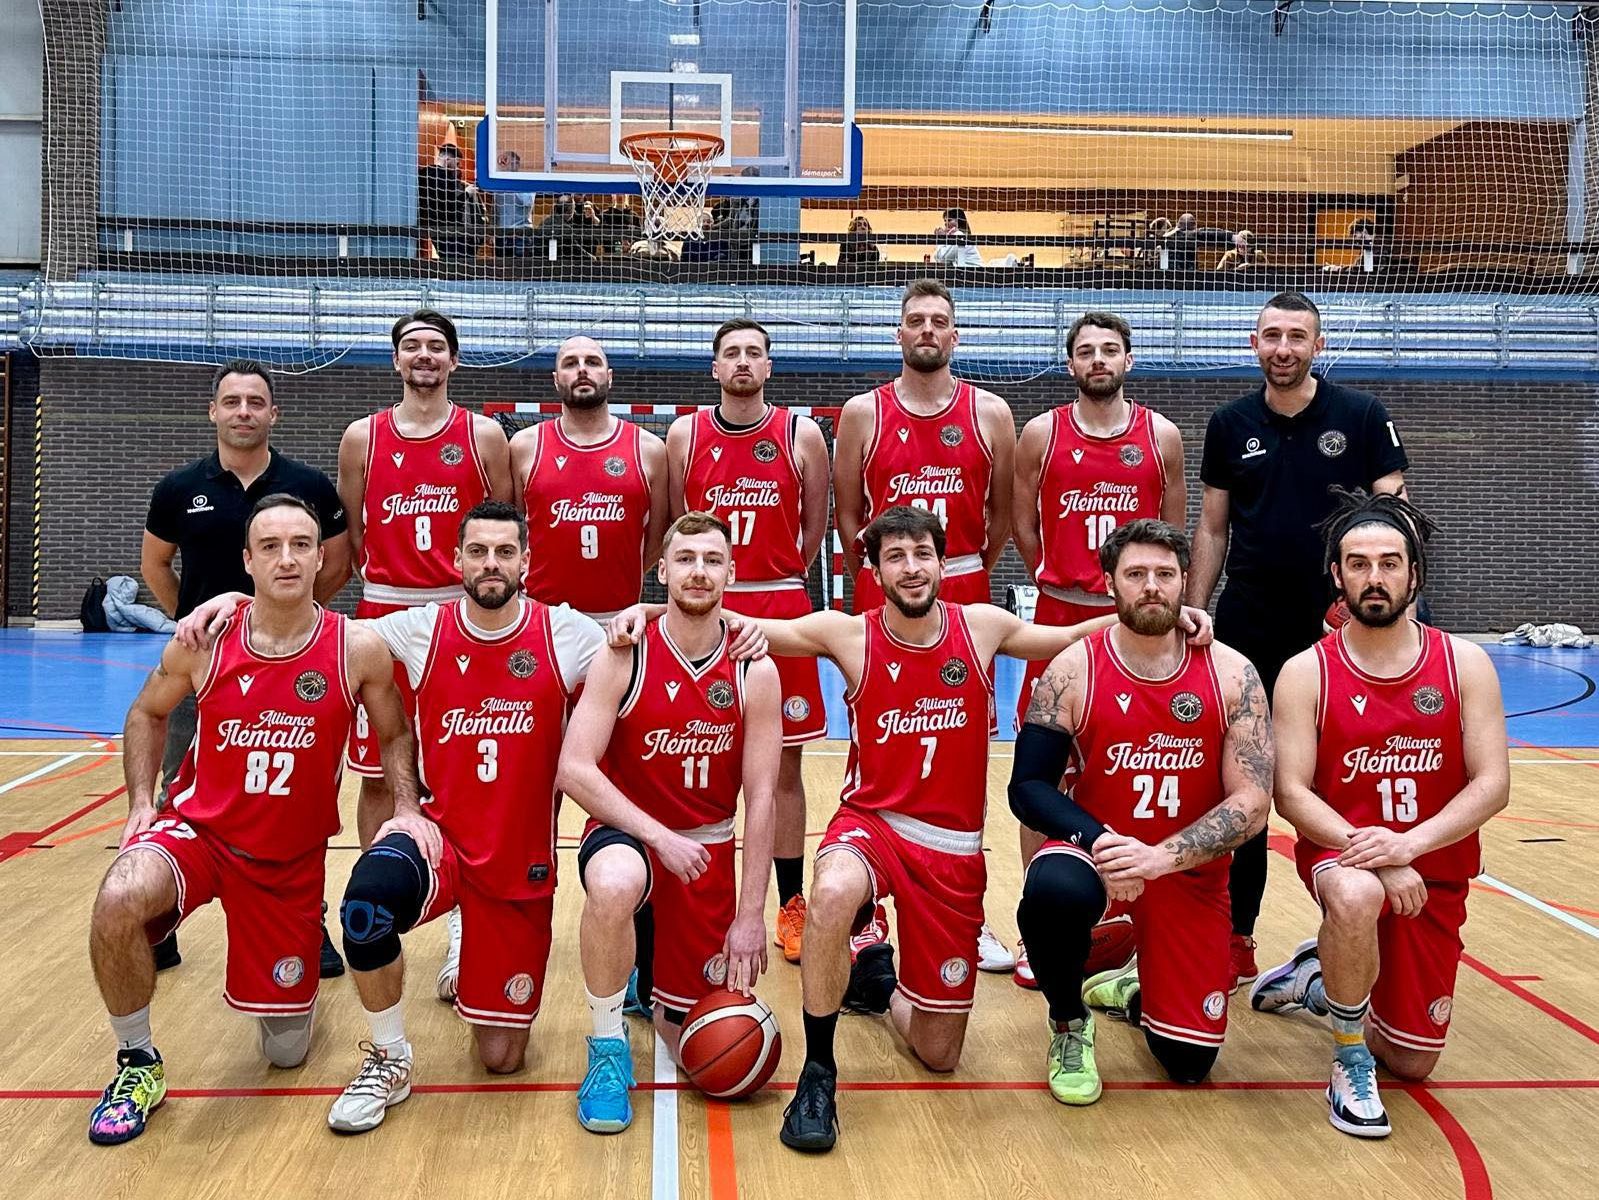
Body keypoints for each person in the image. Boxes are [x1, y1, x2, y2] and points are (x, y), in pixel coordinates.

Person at [731, 505, 1211, 1153]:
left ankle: (875, 978)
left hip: (951, 852)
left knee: (938, 1052)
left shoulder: (980, 626)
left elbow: (1066, 636)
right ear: (874, 570)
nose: (910, 568)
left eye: (922, 554)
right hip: (872, 824)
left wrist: (1172, 614)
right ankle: (818, 1074)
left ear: (942, 562)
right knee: (834, 890)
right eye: (895, 556)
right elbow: (745, 625)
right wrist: (648, 612)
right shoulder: (848, 634)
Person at [85, 495, 418, 1146]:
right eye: (270, 546)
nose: (286, 558)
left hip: (286, 862)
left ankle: (294, 966)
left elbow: (395, 735)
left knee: (285, 1053)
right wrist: (142, 804)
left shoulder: (358, 649)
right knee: (118, 897)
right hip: (199, 833)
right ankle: (136, 1062)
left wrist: (406, 806)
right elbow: (147, 712)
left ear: (321, 558)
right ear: (247, 560)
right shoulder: (205, 641)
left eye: (301, 544)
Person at [1250, 491, 1508, 1138]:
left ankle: (1319, 977)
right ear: (1336, 576)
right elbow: (1291, 793)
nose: (1374, 577)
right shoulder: (1306, 672)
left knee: (1413, 1062)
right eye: (1358, 564)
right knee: (1356, 893)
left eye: (1389, 563)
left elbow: (1492, 785)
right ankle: (1347, 1056)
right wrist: (1376, 855)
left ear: (1414, 574)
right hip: (1341, 853)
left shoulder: (1465, 663)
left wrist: (1407, 847)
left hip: (1433, 868)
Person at [1186, 291, 1409, 990]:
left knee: (1343, 778)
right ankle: (1236, 935)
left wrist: (1381, 607)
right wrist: (1195, 611)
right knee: (1245, 780)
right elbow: (1212, 527)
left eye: (1296, 336)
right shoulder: (1229, 424)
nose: (1283, 348)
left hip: (1335, 629)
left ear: (1318, 345)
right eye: (1272, 336)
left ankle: (1353, 927)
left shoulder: (1361, 415)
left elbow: (1395, 515)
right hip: (1249, 623)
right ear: (1253, 343)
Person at [1009, 519, 1272, 1107]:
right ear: (1109, 583)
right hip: (1096, 854)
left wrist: (1157, 858)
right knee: (1052, 892)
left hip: (1187, 870)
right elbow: (1027, 787)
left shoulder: (1233, 673)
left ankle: (1133, 985)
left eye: (1164, 574)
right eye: (1135, 574)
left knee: (1188, 1065)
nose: (1151, 586)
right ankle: (1069, 1020)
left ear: (1185, 582)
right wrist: (1102, 841)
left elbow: (1253, 804)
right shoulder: (1072, 669)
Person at [557, 511, 782, 1134]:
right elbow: (573, 768)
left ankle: (644, 976)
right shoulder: (625, 653)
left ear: (731, 573)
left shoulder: (755, 669)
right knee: (614, 883)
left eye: (712, 560)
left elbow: (764, 798)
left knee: (699, 1047)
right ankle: (607, 1049)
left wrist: (750, 916)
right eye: (685, 559)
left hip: (706, 854)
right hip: (631, 833)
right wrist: (658, 836)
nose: (698, 572)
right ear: (662, 571)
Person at [832, 278, 1019, 973]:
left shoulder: (991, 412)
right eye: (916, 320)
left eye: (939, 321)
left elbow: (1001, 515)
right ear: (899, 333)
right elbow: (849, 517)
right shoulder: (862, 413)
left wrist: (957, 570)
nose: (928, 330)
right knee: (873, 744)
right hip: (884, 589)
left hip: (961, 579)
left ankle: (966, 914)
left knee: (962, 753)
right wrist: (889, 575)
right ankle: (864, 916)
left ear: (955, 335)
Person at [141, 358, 351, 975]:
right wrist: (195, 626)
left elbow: (339, 563)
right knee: (178, 785)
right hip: (204, 669)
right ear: (213, 411)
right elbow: (155, 565)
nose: (243, 412)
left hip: (290, 667)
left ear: (273, 413)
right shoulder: (179, 488)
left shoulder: (309, 484)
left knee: (298, 799)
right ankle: (161, 919)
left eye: (255, 402)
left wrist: (289, 621)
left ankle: (308, 922)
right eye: (231, 401)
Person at [338, 310, 512, 1000]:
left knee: (462, 778)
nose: (424, 356)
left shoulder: (483, 435)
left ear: (454, 361)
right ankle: (382, 906)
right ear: (395, 360)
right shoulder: (362, 437)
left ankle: (464, 930)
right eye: (412, 346)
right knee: (377, 775)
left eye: (437, 347)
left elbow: (501, 528)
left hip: (456, 618)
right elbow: (354, 536)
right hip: (384, 612)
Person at [1009, 311, 1185, 987]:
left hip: (1136, 623)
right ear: (1071, 364)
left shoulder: (1160, 435)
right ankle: (1037, 926)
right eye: (1086, 351)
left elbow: (1171, 537)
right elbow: (1022, 521)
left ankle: (1139, 920)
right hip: (1061, 614)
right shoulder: (1041, 433)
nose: (1098, 360)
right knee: (1043, 774)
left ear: (1128, 360)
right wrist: (1051, 576)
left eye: (1110, 349)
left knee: (1137, 763)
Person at [666, 319, 831, 964]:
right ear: (714, 367)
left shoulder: (801, 434)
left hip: (780, 602)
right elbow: (677, 526)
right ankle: (686, 898)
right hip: (707, 602)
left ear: (768, 366)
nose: (742, 361)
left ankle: (789, 905)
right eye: (731, 352)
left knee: (783, 767)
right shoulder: (685, 435)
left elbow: (814, 529)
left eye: (753, 353)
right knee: (691, 753)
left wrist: (775, 579)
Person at [511, 335, 668, 621]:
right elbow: (511, 530)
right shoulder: (524, 445)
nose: (582, 369)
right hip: (542, 617)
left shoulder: (649, 449)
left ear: (609, 376)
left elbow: (657, 540)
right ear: (555, 379)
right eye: (570, 363)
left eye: (593, 362)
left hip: (619, 617)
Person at [419, 144, 479, 263]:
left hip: (434, 229)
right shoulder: (446, 177)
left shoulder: (424, 174)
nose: (457, 168)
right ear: (447, 159)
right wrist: (467, 193)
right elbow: (451, 206)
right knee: (462, 265)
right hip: (452, 231)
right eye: (456, 163)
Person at [492, 152, 535, 261]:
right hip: (502, 235)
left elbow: (527, 202)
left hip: (521, 234)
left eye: (509, 161)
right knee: (501, 267)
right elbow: (495, 210)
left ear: (518, 164)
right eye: (504, 161)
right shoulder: (499, 183)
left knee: (520, 267)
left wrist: (512, 185)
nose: (506, 163)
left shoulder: (527, 182)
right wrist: (491, 232)